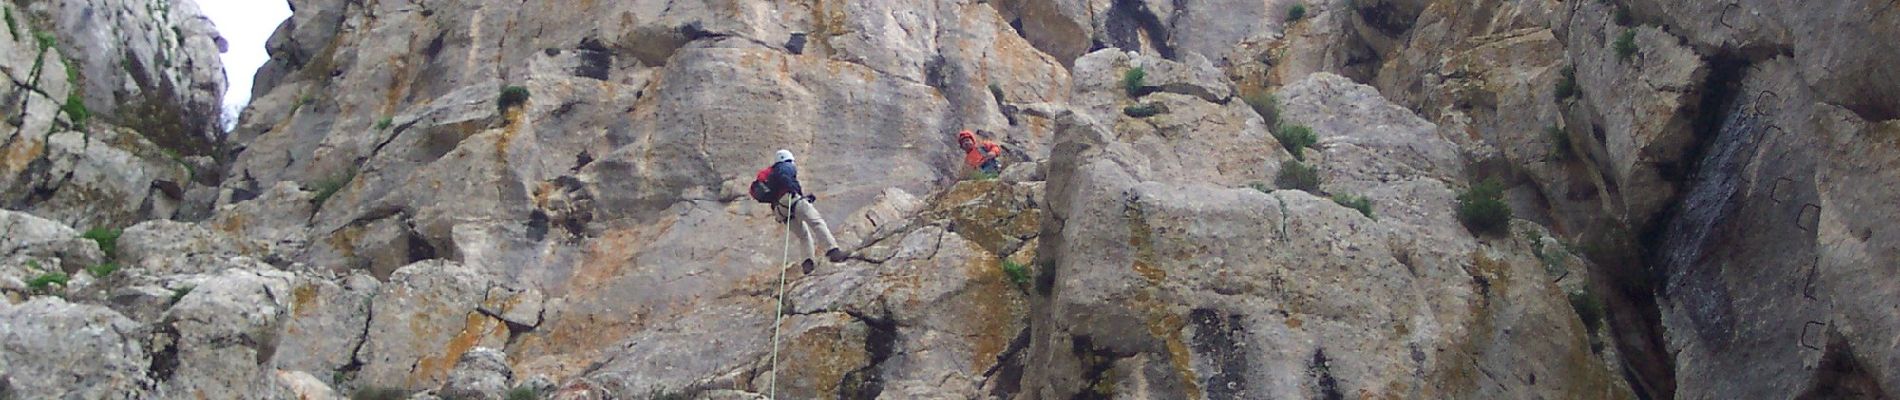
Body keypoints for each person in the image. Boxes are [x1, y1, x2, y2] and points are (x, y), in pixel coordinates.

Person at [759, 150, 848, 273]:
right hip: (790, 199)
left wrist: (803, 198)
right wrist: (797, 193)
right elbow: (784, 177)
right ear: (788, 159)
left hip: (780, 210)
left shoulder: (770, 175)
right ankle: (833, 252)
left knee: (803, 235)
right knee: (817, 223)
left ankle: (808, 264)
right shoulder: (785, 166)